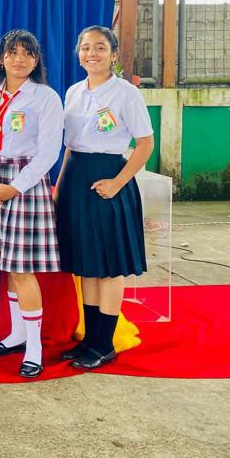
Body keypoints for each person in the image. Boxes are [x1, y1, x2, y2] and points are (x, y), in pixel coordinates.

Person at [56, 26, 154, 370]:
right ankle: (89, 339)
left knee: (109, 267)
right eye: (85, 48)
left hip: (109, 178)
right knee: (87, 264)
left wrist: (117, 183)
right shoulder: (73, 92)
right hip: (76, 178)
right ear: (78, 53)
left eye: (100, 48)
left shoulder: (126, 93)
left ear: (113, 55)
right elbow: (70, 146)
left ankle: (104, 343)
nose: (91, 54)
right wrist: (59, 186)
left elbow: (145, 143)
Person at [0, 30, 63, 379]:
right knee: (7, 266)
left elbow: (49, 152)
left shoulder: (45, 98)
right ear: (1, 58)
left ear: (36, 61)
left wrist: (15, 188)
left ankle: (34, 349)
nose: (19, 59)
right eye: (12, 52)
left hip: (25, 183)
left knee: (22, 268)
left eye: (27, 53)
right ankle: (16, 335)